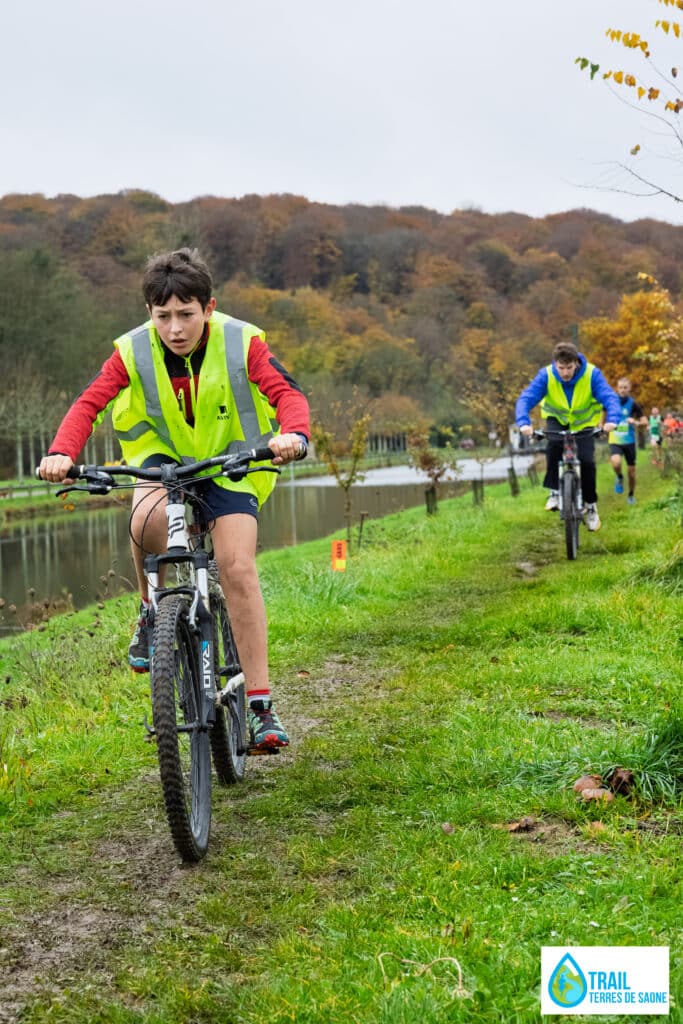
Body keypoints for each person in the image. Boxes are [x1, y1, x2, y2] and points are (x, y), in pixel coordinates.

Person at [38, 248, 310, 753]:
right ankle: (150, 609)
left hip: (231, 465)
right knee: (145, 521)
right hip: (161, 465)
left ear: (209, 308)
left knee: (237, 567)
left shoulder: (241, 342)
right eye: (164, 316)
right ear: (150, 313)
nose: (175, 327)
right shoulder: (131, 351)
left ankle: (260, 706)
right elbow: (89, 403)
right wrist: (61, 451)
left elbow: (286, 394)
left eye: (187, 314)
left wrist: (293, 433)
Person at [515, 341, 620, 532]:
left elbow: (609, 397)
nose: (565, 373)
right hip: (557, 421)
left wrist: (611, 420)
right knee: (553, 446)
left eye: (569, 367)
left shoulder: (591, 374)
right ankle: (555, 491)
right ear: (555, 364)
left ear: (576, 363)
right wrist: (523, 423)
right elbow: (526, 398)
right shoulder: (546, 375)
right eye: (561, 368)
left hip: (584, 424)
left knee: (587, 461)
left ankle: (590, 506)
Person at [606, 378, 647, 503]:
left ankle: (630, 495)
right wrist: (602, 427)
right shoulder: (611, 402)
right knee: (616, 462)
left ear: (629, 389)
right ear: (617, 388)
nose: (622, 390)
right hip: (615, 440)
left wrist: (635, 421)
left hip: (629, 441)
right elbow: (603, 417)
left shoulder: (634, 404)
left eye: (625, 387)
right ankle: (619, 477)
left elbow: (644, 423)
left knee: (632, 473)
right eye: (620, 387)